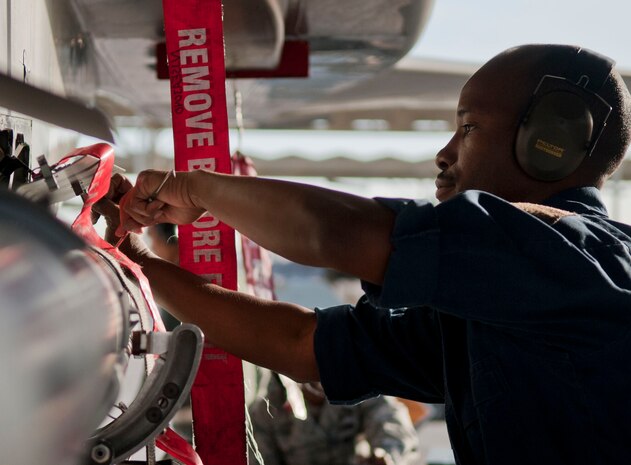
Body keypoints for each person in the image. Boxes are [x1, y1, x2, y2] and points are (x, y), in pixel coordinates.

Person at [95, 44, 631, 465]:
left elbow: (337, 233)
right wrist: (133, 258)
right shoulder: (495, 304)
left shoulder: (575, 257)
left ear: (550, 141)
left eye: (468, 128)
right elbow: (302, 344)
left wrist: (194, 189)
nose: (443, 155)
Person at [248, 373, 420, 465]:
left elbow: (392, 426)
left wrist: (386, 455)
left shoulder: (361, 390)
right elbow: (259, 459)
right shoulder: (266, 410)